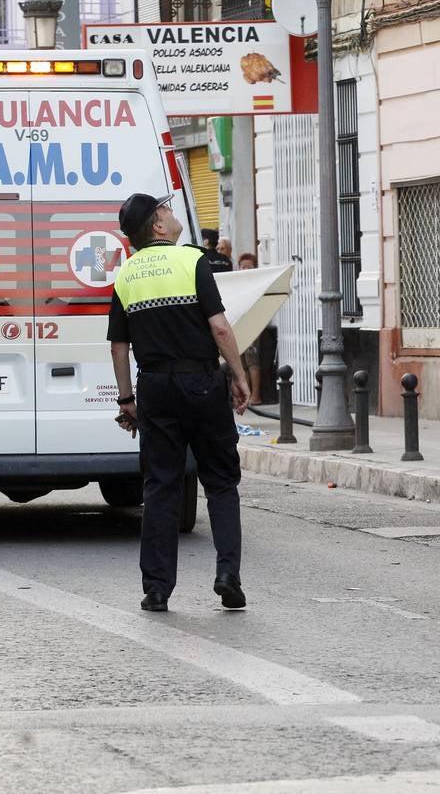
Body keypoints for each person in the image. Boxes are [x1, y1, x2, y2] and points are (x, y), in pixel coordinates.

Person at [109, 193, 251, 613]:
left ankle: (156, 589)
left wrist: (127, 400)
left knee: (160, 487)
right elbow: (220, 328)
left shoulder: (126, 275)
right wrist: (239, 376)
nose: (172, 215)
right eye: (166, 210)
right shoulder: (192, 261)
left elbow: (119, 349)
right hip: (202, 384)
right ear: (157, 225)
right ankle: (227, 574)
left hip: (154, 388)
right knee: (221, 481)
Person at [237, 252, 263, 405]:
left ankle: (255, 395)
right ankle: (245, 395)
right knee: (242, 362)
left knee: (252, 360)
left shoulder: (257, 283)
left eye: (249, 267)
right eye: (243, 267)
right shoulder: (238, 282)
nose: (246, 269)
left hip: (253, 323)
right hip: (241, 323)